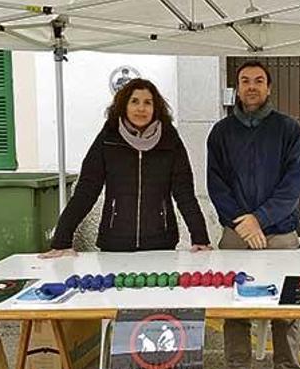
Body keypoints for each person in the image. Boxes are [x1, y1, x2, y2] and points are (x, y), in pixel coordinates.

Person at [205, 60, 300, 369]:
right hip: (236, 234)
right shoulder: (220, 133)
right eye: (245, 80)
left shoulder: (288, 130)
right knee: (233, 307)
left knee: (286, 306)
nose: (251, 86)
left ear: (269, 88)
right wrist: (242, 221)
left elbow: (292, 185)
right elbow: (216, 185)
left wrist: (260, 220)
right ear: (237, 87)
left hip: (279, 233)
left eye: (259, 81)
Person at [40, 78, 211, 257]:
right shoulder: (108, 138)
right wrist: (61, 241)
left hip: (161, 243)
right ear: (124, 105)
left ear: (156, 108)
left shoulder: (170, 141)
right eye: (134, 101)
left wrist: (200, 238)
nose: (141, 108)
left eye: (148, 103)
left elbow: (184, 194)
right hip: (114, 242)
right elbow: (86, 191)